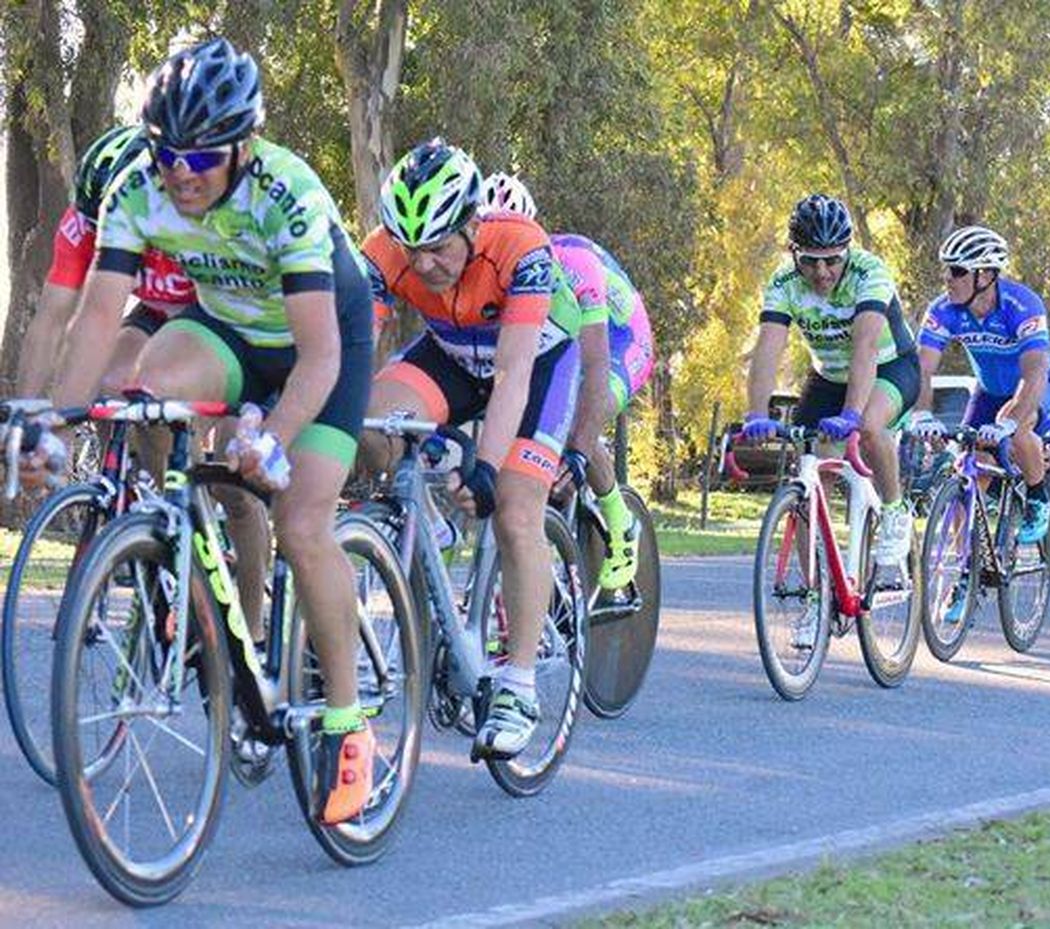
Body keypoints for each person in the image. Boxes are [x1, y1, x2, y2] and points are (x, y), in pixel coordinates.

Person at [29, 38, 376, 824]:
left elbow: (318, 356)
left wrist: (275, 436)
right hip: (227, 329)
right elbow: (92, 322)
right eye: (168, 153)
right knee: (138, 388)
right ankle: (178, 549)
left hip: (325, 345)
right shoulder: (136, 188)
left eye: (203, 156)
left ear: (242, 147)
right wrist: (53, 423)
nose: (182, 172)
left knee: (302, 517)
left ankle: (350, 724)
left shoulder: (285, 194)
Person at [361, 140, 582, 758]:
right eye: (412, 249)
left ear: (470, 224)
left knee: (514, 508)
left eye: (439, 246)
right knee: (369, 420)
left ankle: (517, 685)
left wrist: (485, 467)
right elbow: (349, 349)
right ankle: (427, 526)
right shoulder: (383, 255)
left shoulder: (520, 246)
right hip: (453, 355)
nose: (424, 264)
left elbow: (512, 376)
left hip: (535, 364)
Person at [479, 171, 656, 590]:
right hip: (565, 341)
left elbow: (593, 359)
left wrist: (576, 448)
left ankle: (619, 523)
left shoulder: (572, 263)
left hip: (620, 340)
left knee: (579, 413)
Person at [743, 194, 921, 580]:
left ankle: (894, 511)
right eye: (810, 260)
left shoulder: (870, 272)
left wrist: (852, 414)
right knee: (807, 479)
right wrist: (756, 412)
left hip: (890, 368)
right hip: (828, 378)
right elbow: (768, 347)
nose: (822, 271)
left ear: (848, 251)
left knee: (871, 428)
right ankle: (815, 597)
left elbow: (866, 347)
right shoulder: (784, 282)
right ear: (794, 254)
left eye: (832, 259)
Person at [909, 225, 1050, 546]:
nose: (947, 279)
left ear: (984, 275)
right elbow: (922, 368)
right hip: (989, 392)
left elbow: (1034, 372)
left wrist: (1010, 421)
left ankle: (1037, 499)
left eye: (956, 271)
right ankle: (965, 573)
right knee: (965, 472)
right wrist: (922, 414)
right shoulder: (943, 310)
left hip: (1040, 387)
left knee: (1018, 426)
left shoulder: (1022, 305)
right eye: (946, 270)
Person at [18, 124, 196, 396]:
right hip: (158, 310)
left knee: (197, 394)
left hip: (229, 316)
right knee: (105, 380)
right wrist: (24, 416)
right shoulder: (84, 225)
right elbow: (50, 321)